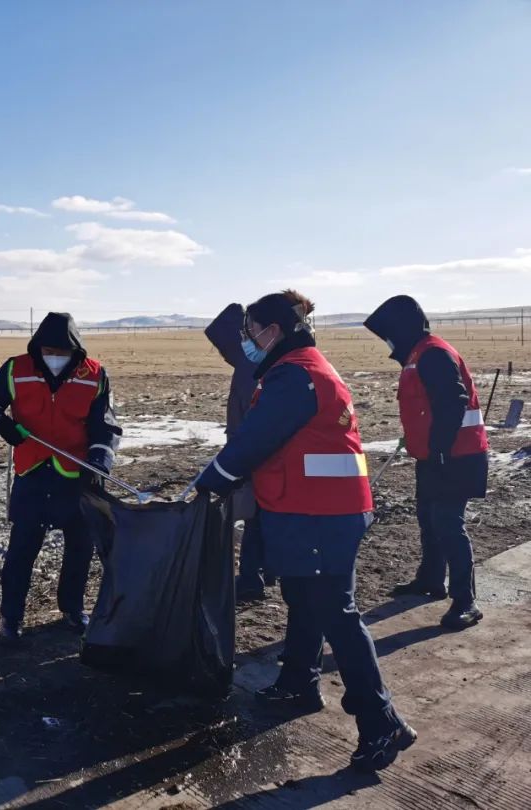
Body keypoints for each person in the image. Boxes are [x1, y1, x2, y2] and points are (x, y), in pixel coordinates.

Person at [195, 290, 415, 772]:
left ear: (272, 331)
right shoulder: (297, 366)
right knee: (302, 594)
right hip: (312, 509)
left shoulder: (296, 375)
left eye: (250, 331)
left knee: (336, 612)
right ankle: (299, 682)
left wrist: (210, 480)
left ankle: (382, 722)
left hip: (322, 513)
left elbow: (255, 439)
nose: (247, 340)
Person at [0, 312, 121, 641]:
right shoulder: (16, 369)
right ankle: (11, 619)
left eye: (62, 352)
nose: (54, 357)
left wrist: (99, 461)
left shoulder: (94, 375)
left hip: (76, 474)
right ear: (38, 348)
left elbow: (105, 426)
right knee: (21, 551)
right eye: (48, 351)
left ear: (75, 352)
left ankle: (71, 609)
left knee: (80, 549)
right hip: (33, 473)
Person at [364, 295, 487, 630]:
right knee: (429, 520)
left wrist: (441, 448)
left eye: (388, 333)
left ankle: (466, 601)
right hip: (434, 456)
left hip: (456, 456)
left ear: (401, 328)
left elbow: (453, 402)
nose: (387, 342)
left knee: (448, 524)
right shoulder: (418, 354)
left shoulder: (433, 353)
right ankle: (432, 580)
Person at [205, 303, 273, 602]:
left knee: (256, 516)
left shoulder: (251, 367)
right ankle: (265, 572)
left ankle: (251, 578)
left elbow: (249, 416)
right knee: (262, 515)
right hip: (255, 450)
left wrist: (237, 457)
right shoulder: (253, 363)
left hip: (253, 453)